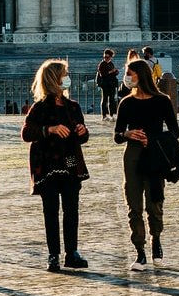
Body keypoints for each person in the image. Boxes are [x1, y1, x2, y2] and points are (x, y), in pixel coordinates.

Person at [22, 59, 90, 272]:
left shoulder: (73, 107)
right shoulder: (40, 107)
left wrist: (82, 132)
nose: (67, 78)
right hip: (48, 162)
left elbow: (83, 136)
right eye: (64, 74)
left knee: (72, 209)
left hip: (70, 160)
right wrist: (49, 129)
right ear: (54, 79)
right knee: (50, 211)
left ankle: (72, 252)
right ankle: (54, 254)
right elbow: (26, 133)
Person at [115, 58, 179, 271]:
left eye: (129, 73)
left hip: (155, 154)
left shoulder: (162, 101)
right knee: (133, 204)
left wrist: (151, 139)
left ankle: (156, 242)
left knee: (154, 202)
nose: (126, 77)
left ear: (140, 75)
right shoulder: (126, 102)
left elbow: (174, 132)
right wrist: (127, 133)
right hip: (132, 155)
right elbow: (117, 135)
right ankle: (140, 252)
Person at [94, 49, 120, 119]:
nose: (106, 58)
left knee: (111, 100)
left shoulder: (111, 64)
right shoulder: (102, 64)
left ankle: (111, 115)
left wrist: (115, 72)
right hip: (105, 84)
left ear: (111, 57)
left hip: (111, 84)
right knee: (104, 99)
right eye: (105, 57)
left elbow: (113, 74)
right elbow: (102, 74)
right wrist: (111, 71)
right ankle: (104, 115)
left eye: (107, 57)